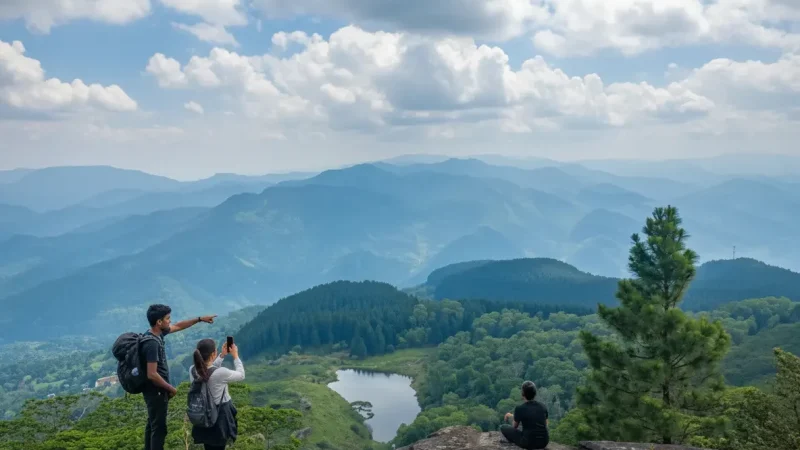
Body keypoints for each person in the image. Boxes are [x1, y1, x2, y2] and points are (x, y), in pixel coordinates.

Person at [142, 304, 217, 450]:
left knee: (152, 424)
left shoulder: (155, 334)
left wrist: (200, 319)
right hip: (156, 391)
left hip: (156, 391)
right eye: (167, 318)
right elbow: (151, 374)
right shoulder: (151, 343)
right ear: (159, 322)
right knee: (159, 429)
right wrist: (171, 389)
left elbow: (178, 326)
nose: (170, 321)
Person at [189, 338, 245, 450]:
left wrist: (221, 356)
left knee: (208, 446)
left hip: (202, 415)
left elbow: (208, 370)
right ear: (213, 353)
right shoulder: (221, 372)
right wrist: (235, 356)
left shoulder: (193, 370)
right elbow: (241, 375)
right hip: (220, 417)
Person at [500, 381, 549, 449]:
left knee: (503, 427)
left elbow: (514, 426)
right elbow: (546, 424)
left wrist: (511, 417)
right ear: (535, 394)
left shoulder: (520, 408)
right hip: (544, 442)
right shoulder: (543, 406)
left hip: (528, 442)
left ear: (523, 394)